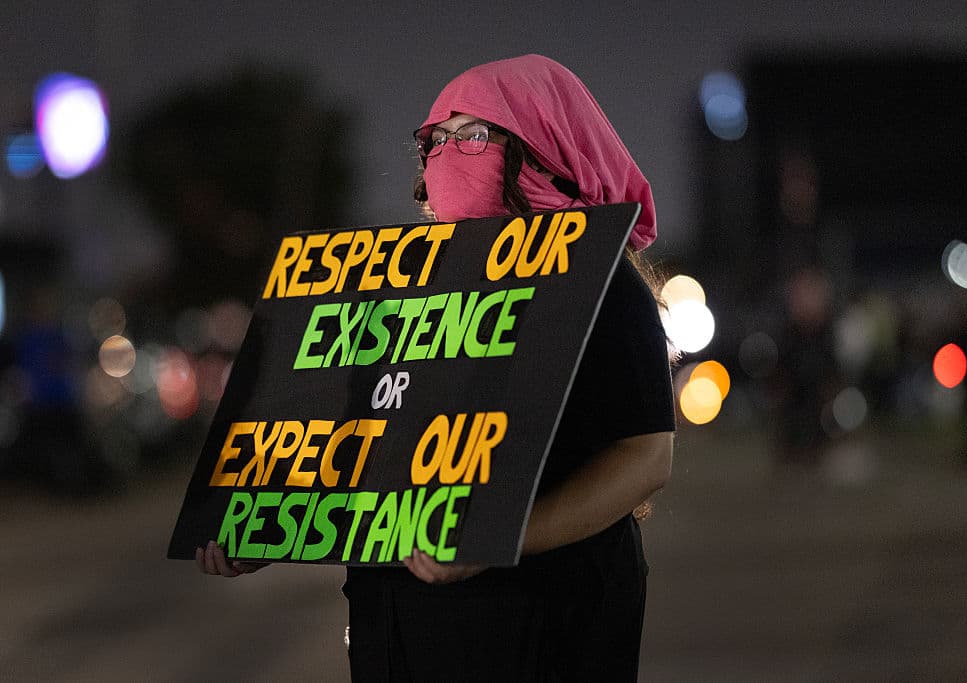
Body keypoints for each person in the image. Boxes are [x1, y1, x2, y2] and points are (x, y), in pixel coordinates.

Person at [197, 54, 676, 682]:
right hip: (400, 631)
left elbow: (647, 458)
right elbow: (365, 441)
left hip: (548, 623)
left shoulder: (602, 282)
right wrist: (266, 526)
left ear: (545, 146)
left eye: (473, 135)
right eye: (435, 140)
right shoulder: (404, 285)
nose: (448, 155)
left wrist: (504, 539)